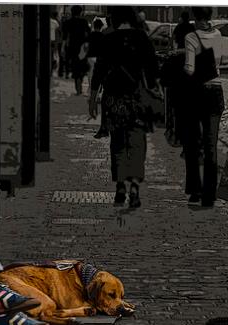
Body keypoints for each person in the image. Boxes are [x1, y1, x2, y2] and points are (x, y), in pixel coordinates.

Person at [89, 6, 159, 208]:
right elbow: (153, 70)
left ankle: (120, 185)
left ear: (114, 19)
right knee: (137, 141)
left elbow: (99, 71)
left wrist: (93, 99)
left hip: (113, 99)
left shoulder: (108, 39)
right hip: (136, 97)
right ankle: (135, 185)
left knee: (118, 141)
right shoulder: (142, 38)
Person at [179, 7, 225, 208]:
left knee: (192, 142)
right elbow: (220, 62)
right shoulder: (219, 35)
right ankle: (210, 194)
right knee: (211, 145)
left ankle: (195, 190)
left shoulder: (191, 37)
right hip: (216, 92)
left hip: (196, 93)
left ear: (195, 18)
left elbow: (190, 69)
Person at [62, 5, 91, 94]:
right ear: (80, 12)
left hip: (72, 47)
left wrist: (63, 48)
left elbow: (65, 37)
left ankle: (77, 83)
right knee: (81, 64)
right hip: (82, 47)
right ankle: (80, 80)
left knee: (75, 66)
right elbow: (88, 34)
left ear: (72, 12)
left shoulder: (68, 22)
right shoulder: (84, 22)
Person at [86, 19, 105, 88]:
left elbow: (86, 46)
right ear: (101, 26)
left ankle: (90, 87)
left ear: (94, 26)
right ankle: (95, 88)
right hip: (99, 57)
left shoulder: (90, 35)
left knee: (90, 72)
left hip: (90, 55)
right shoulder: (103, 36)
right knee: (98, 74)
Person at [50, 11, 62, 76]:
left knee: (52, 55)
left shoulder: (50, 21)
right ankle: (52, 68)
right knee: (54, 55)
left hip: (50, 40)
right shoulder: (55, 22)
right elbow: (58, 32)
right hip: (53, 40)